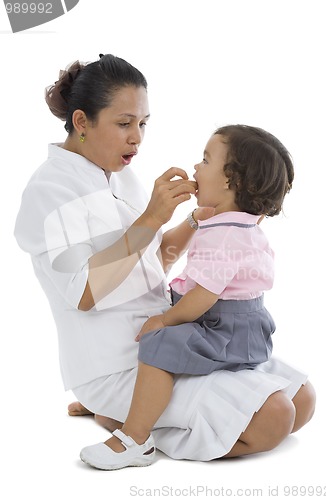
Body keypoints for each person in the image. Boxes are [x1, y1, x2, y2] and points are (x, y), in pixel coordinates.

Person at [14, 54, 315, 470]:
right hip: (120, 362)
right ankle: (126, 422)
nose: (136, 138)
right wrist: (152, 218)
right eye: (124, 124)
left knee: (302, 400)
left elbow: (152, 263)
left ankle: (126, 418)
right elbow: (83, 293)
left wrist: (193, 221)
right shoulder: (48, 192)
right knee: (274, 418)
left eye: (142, 124)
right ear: (81, 122)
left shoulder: (121, 176)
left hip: (173, 339)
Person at [79, 124, 297, 470]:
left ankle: (135, 436)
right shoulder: (241, 224)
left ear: (230, 181)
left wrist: (163, 321)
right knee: (167, 342)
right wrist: (194, 219)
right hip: (247, 328)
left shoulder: (222, 235)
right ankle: (120, 412)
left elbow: (203, 298)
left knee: (157, 345)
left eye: (206, 160)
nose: (196, 168)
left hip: (221, 327)